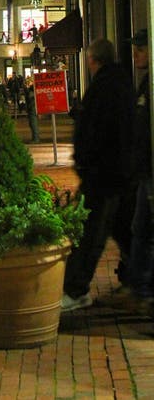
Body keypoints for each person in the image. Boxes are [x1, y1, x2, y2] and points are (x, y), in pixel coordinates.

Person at [61, 38, 135, 310]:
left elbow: (98, 131)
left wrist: (86, 163)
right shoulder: (121, 85)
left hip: (103, 175)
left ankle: (76, 289)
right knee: (124, 230)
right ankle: (138, 281)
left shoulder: (105, 88)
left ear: (92, 60)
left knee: (91, 233)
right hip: (116, 173)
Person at [112, 29, 153, 314]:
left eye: (140, 48)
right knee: (140, 229)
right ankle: (139, 288)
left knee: (144, 230)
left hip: (148, 171)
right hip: (144, 171)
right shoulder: (145, 84)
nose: (135, 53)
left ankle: (142, 289)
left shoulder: (150, 85)